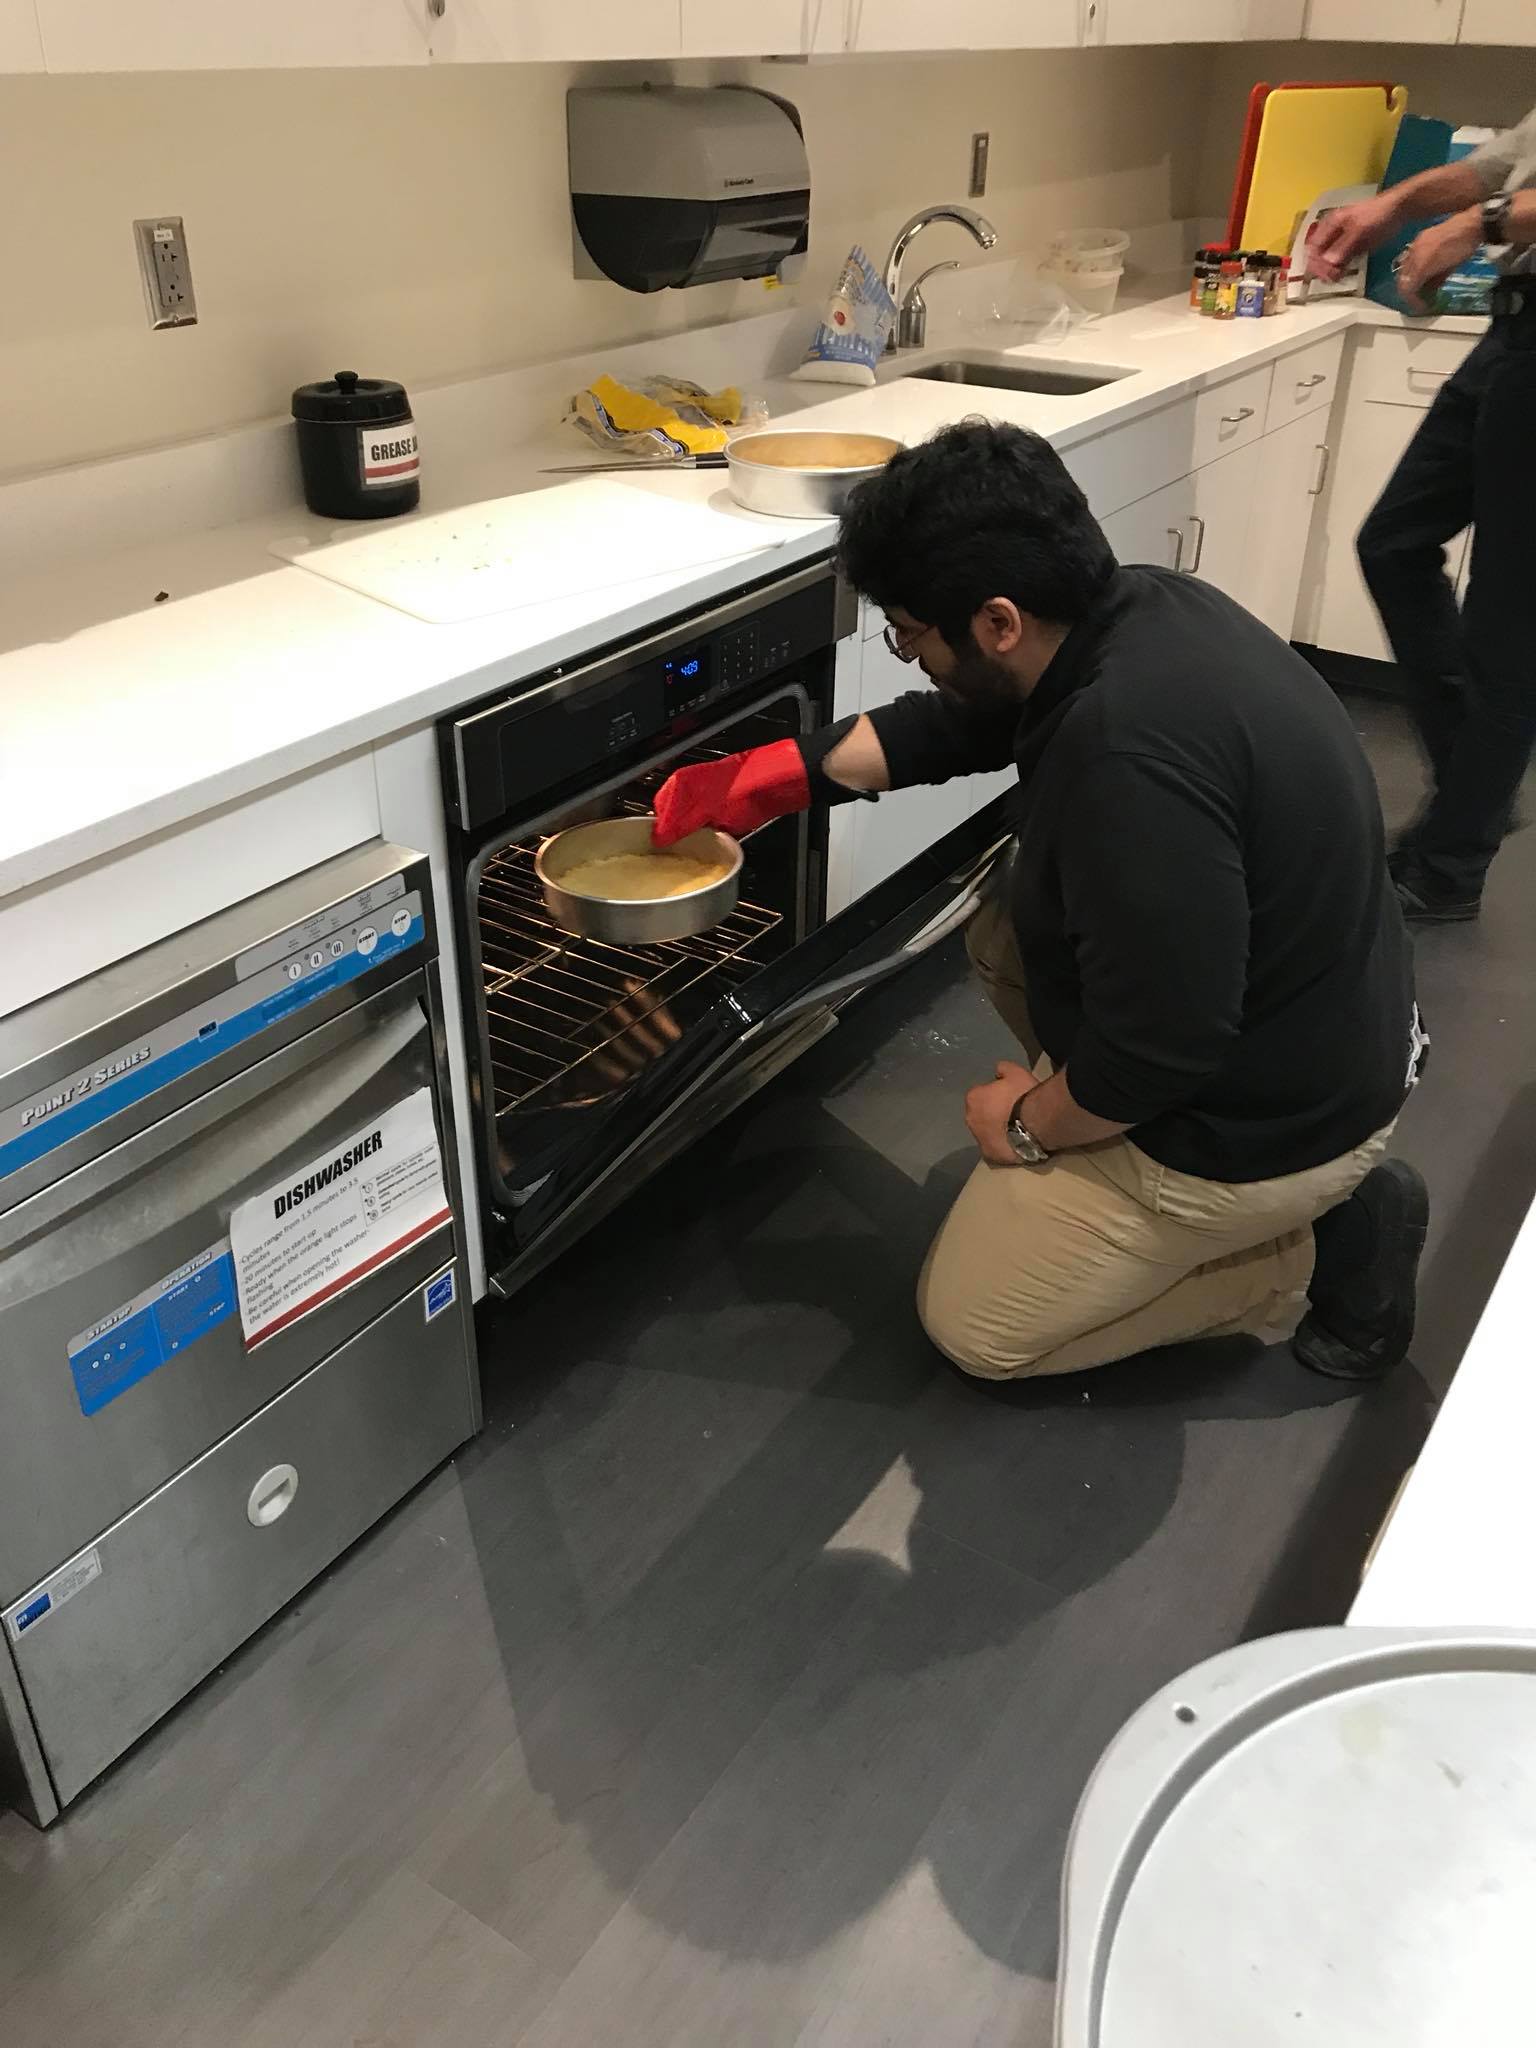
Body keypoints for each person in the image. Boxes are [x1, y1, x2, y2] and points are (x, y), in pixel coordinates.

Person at [652, 421, 1429, 1385]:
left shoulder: (1126, 759)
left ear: (998, 622)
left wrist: (1031, 1124)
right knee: (1006, 927)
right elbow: (967, 714)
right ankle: (1203, 1181)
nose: (907, 652)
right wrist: (777, 776)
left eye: (908, 632)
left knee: (977, 1328)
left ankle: (1313, 1244)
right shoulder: (1146, 609)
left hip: (1268, 1118)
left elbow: (1164, 1048)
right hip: (1329, 1026)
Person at [1310, 106, 1536, 923]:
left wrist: (1480, 225)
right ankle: (1474, 786)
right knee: (1394, 541)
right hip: (1516, 333)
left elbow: (1495, 199)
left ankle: (1449, 869)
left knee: (1508, 625)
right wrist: (1395, 207)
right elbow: (1501, 166)